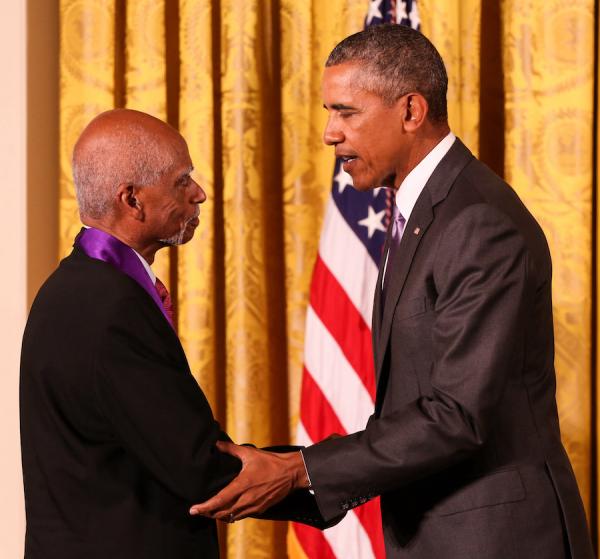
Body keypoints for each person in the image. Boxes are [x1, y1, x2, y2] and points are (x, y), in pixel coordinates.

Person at [190, 25, 595, 558]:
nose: (329, 133)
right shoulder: (423, 211)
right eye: (329, 113)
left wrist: (298, 470)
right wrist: (277, 475)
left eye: (346, 112)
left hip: (495, 540)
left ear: (410, 111)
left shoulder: (477, 221)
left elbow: (456, 416)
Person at [20, 109, 326, 559]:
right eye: (182, 180)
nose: (199, 193)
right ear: (132, 200)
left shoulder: (74, 288)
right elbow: (200, 468)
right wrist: (325, 470)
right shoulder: (110, 307)